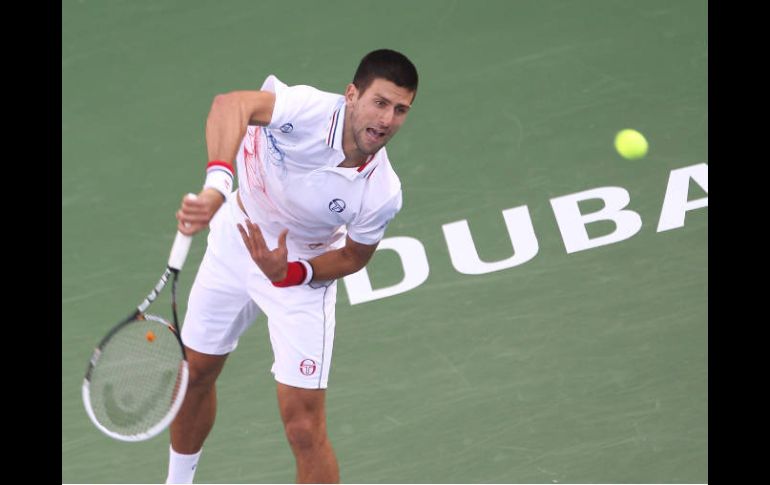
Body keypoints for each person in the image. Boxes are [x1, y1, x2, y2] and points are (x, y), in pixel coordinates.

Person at [165, 49, 419, 484]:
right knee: (196, 373)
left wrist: (291, 273)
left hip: (301, 270)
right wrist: (217, 188)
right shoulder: (307, 110)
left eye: (400, 110)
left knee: (303, 426)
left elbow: (354, 256)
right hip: (237, 236)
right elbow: (231, 105)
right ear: (352, 95)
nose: (387, 119)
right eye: (380, 102)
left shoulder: (382, 192)